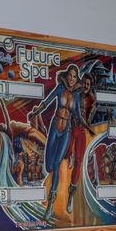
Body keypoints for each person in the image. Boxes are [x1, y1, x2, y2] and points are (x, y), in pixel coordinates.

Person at [27, 64, 81, 219]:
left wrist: (82, 126)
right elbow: (47, 101)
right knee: (49, 165)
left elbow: (77, 114)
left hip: (67, 131)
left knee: (57, 163)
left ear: (77, 79)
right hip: (54, 127)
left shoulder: (76, 95)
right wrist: (36, 112)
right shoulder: (59, 88)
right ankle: (51, 198)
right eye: (70, 75)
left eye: (74, 76)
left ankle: (50, 204)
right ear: (67, 76)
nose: (71, 79)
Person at [0, 85, 46, 186]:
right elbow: (6, 116)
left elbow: (6, 117)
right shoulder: (10, 131)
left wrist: (1, 100)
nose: (2, 125)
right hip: (30, 136)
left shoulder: (11, 132)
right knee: (35, 113)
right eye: (2, 125)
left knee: (34, 112)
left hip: (30, 136)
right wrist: (1, 101)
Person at [67, 73, 96, 213]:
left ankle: (70, 194)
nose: (85, 85)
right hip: (71, 128)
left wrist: (88, 125)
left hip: (82, 131)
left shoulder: (91, 99)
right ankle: (69, 155)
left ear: (90, 86)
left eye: (88, 84)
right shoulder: (75, 94)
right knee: (66, 154)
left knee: (79, 161)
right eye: (84, 82)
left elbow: (89, 114)